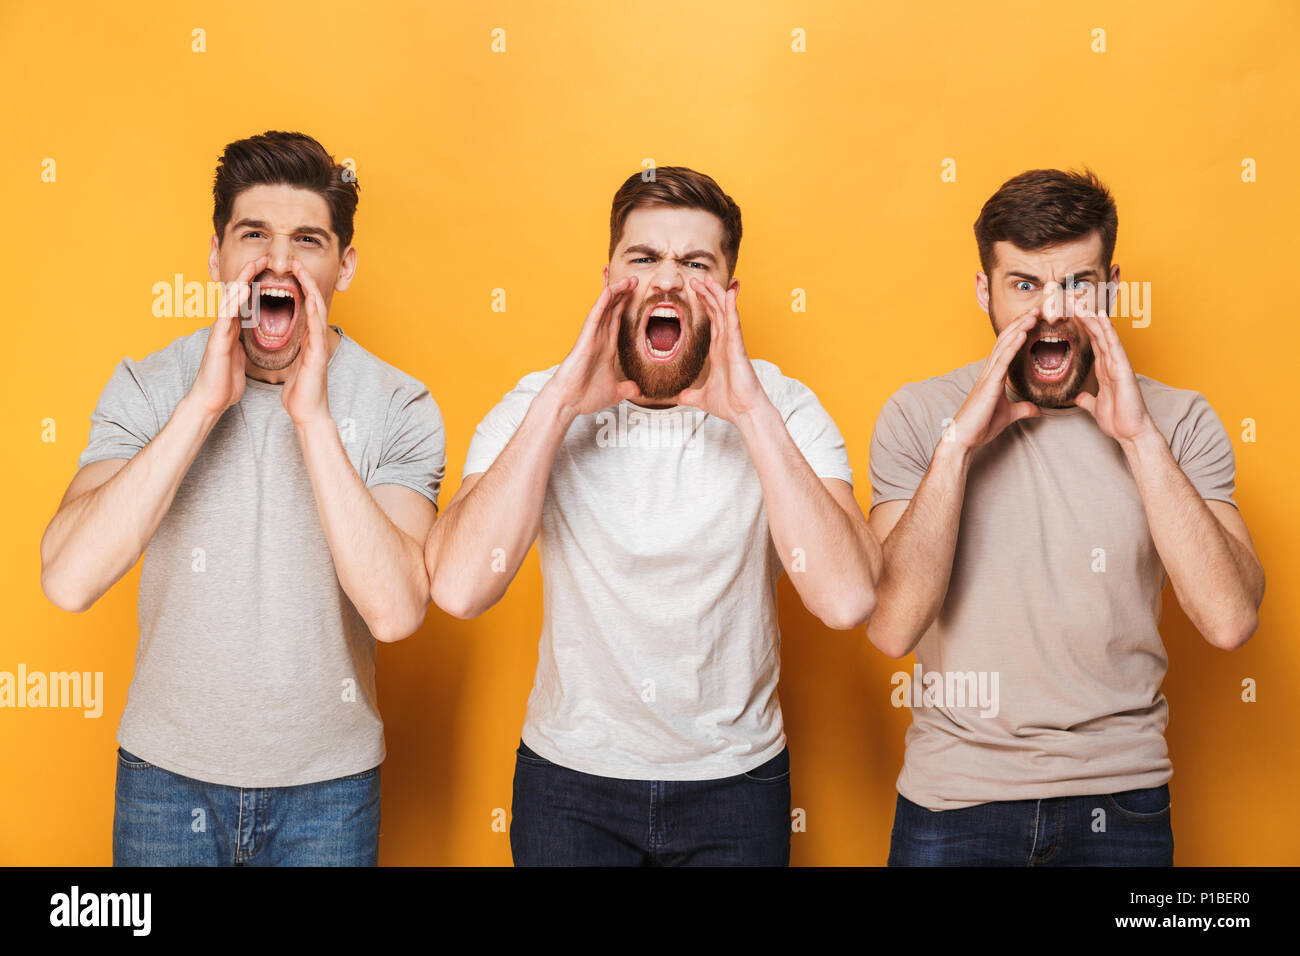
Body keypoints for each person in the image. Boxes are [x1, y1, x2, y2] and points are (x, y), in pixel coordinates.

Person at [426, 166, 880, 866]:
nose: (666, 280)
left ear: (727, 295)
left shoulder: (783, 408)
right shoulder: (536, 406)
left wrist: (750, 414)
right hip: (569, 786)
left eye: (694, 264)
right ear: (609, 280)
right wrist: (559, 407)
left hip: (738, 784)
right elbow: (458, 588)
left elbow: (848, 599)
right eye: (644, 259)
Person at [39, 130, 445, 866]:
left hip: (330, 790)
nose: (279, 262)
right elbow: (67, 580)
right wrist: (201, 406)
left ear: (343, 266)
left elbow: (396, 610)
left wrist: (313, 417)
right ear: (216, 256)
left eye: (308, 241)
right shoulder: (150, 385)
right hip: (164, 782)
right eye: (254, 234)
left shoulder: (399, 404)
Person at [867, 167, 1264, 866]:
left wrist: (1141, 442)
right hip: (954, 801)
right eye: (1023, 284)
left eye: (1076, 285)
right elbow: (893, 625)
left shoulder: (1179, 421)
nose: (1049, 313)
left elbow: (1230, 620)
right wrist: (957, 447)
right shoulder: (919, 417)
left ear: (1110, 283)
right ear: (984, 289)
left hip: (1122, 801)